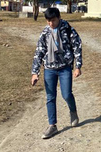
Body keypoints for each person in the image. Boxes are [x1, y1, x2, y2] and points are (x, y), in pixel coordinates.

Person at [31, 8, 82, 139]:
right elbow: (39, 52)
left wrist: (78, 66)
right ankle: (52, 126)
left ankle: (73, 111)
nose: (51, 24)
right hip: (49, 68)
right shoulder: (45, 32)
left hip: (65, 68)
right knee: (50, 97)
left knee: (66, 94)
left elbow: (77, 47)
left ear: (59, 17)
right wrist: (35, 72)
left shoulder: (68, 30)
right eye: (48, 21)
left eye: (53, 20)